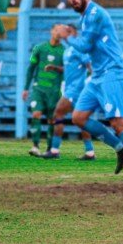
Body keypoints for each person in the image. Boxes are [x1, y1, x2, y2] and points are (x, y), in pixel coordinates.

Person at [58, 0, 123, 180]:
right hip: (98, 75)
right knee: (78, 117)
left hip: (112, 73)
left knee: (118, 123)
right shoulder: (85, 17)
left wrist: (67, 36)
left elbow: (85, 46)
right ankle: (120, 148)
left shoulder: (95, 14)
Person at [41, 25, 96, 161]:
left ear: (72, 32)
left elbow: (90, 65)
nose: (62, 32)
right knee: (81, 121)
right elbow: (68, 69)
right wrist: (54, 68)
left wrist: (96, 80)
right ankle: (90, 152)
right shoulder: (67, 50)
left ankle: (54, 150)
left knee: (58, 113)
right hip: (71, 88)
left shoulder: (78, 48)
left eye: (65, 30)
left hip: (76, 90)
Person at [22, 25, 65, 156]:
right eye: (56, 30)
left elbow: (67, 71)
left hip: (55, 91)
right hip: (38, 89)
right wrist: (25, 88)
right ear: (51, 31)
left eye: (61, 31)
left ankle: (50, 148)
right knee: (36, 114)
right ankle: (35, 146)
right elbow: (31, 68)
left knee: (52, 120)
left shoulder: (65, 51)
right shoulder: (38, 48)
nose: (58, 33)